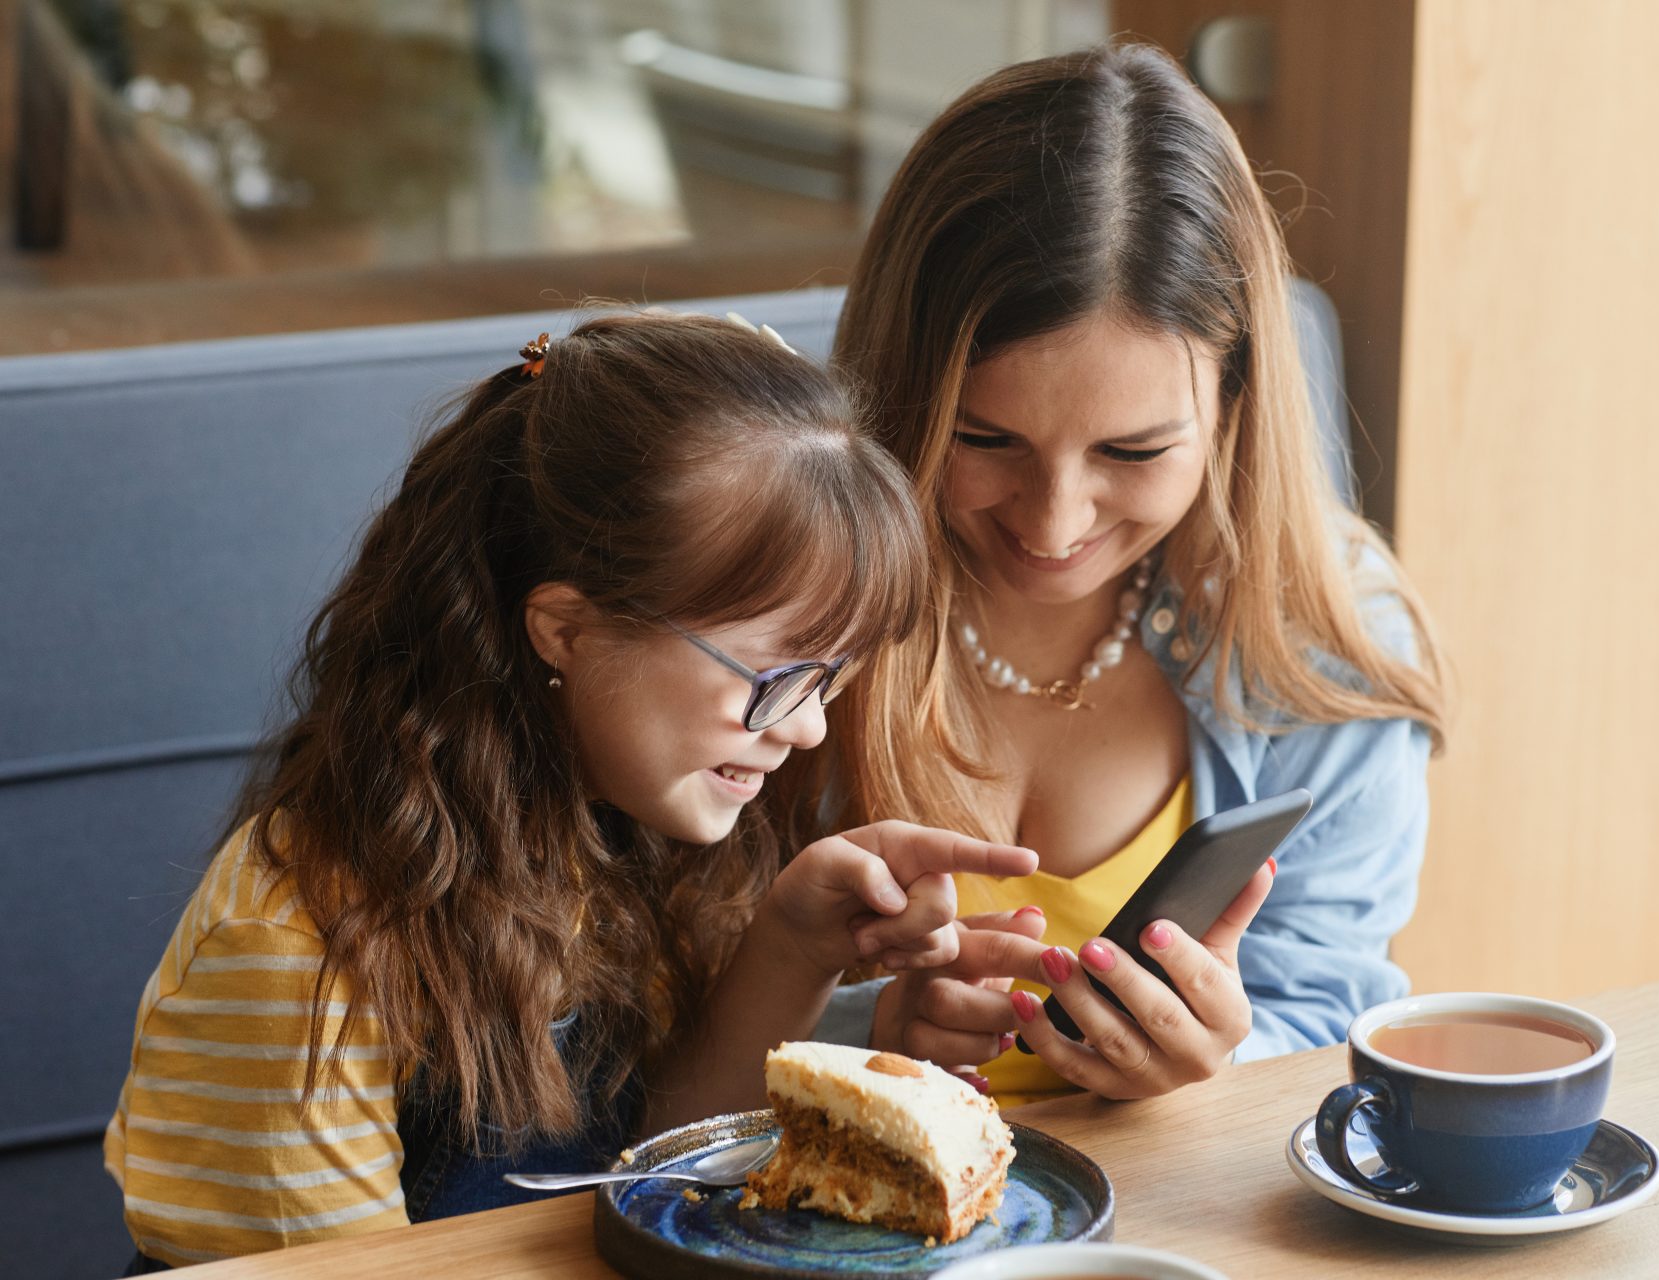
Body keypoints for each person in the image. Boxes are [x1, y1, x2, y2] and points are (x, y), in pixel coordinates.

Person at [104, 311, 1037, 1268]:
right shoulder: (299, 959)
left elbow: (656, 1178)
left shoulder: (622, 828)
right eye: (775, 680)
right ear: (565, 630)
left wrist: (791, 950)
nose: (804, 729)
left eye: (831, 679)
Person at [802, 43, 1449, 1108]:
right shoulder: (774, 607)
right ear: (898, 391)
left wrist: (1214, 1060)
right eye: (984, 437)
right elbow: (632, 1025)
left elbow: (1330, 1019)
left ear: (1233, 407)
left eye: (1133, 453)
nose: (1054, 521)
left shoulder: (1329, 653)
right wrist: (860, 1035)